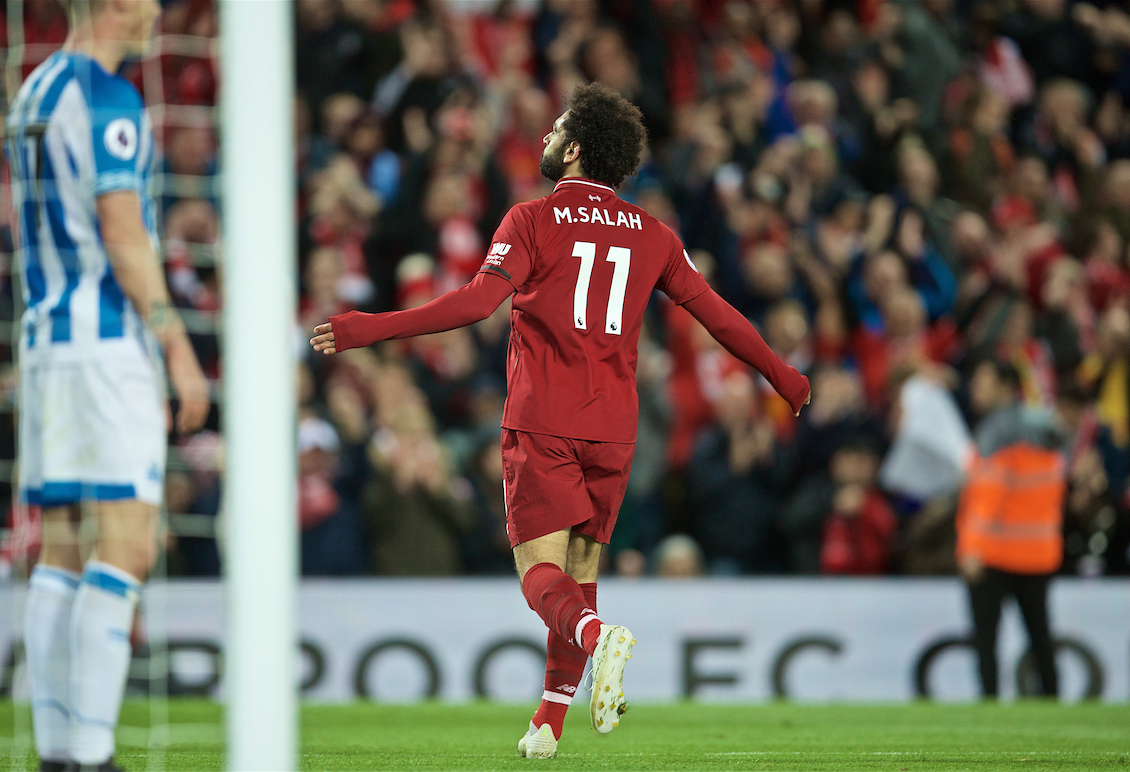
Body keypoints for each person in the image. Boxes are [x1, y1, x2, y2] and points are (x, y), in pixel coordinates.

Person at [311, 83, 810, 758]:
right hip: (614, 427)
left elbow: (474, 305)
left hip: (544, 417)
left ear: (574, 150)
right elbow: (715, 313)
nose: (544, 137)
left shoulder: (530, 221)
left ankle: (600, 637)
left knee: (541, 577)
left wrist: (366, 327)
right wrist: (784, 377)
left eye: (553, 130)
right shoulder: (655, 235)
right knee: (579, 572)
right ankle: (549, 725)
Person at [5, 1, 210, 769]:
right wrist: (178, 352)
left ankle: (58, 750)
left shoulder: (34, 90)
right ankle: (90, 755)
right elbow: (123, 235)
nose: (159, 11)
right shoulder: (106, 95)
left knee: (61, 551)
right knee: (125, 545)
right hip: (104, 348)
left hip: (45, 344)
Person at [957, 359, 1064, 699]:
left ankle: (989, 705)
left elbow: (986, 499)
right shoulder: (1045, 429)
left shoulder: (995, 433)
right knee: (1041, 639)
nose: (975, 387)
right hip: (1039, 552)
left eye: (982, 380)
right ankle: (1053, 710)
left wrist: (970, 549)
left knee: (986, 641)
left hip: (995, 552)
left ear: (1004, 387)